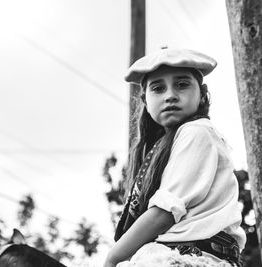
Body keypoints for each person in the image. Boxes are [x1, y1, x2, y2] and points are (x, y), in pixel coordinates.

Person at [103, 48, 246, 267]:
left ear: (202, 92)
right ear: (145, 99)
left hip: (193, 258)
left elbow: (164, 213)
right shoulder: (163, 147)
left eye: (182, 84)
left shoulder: (197, 132)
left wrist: (112, 258)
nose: (170, 95)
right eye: (158, 88)